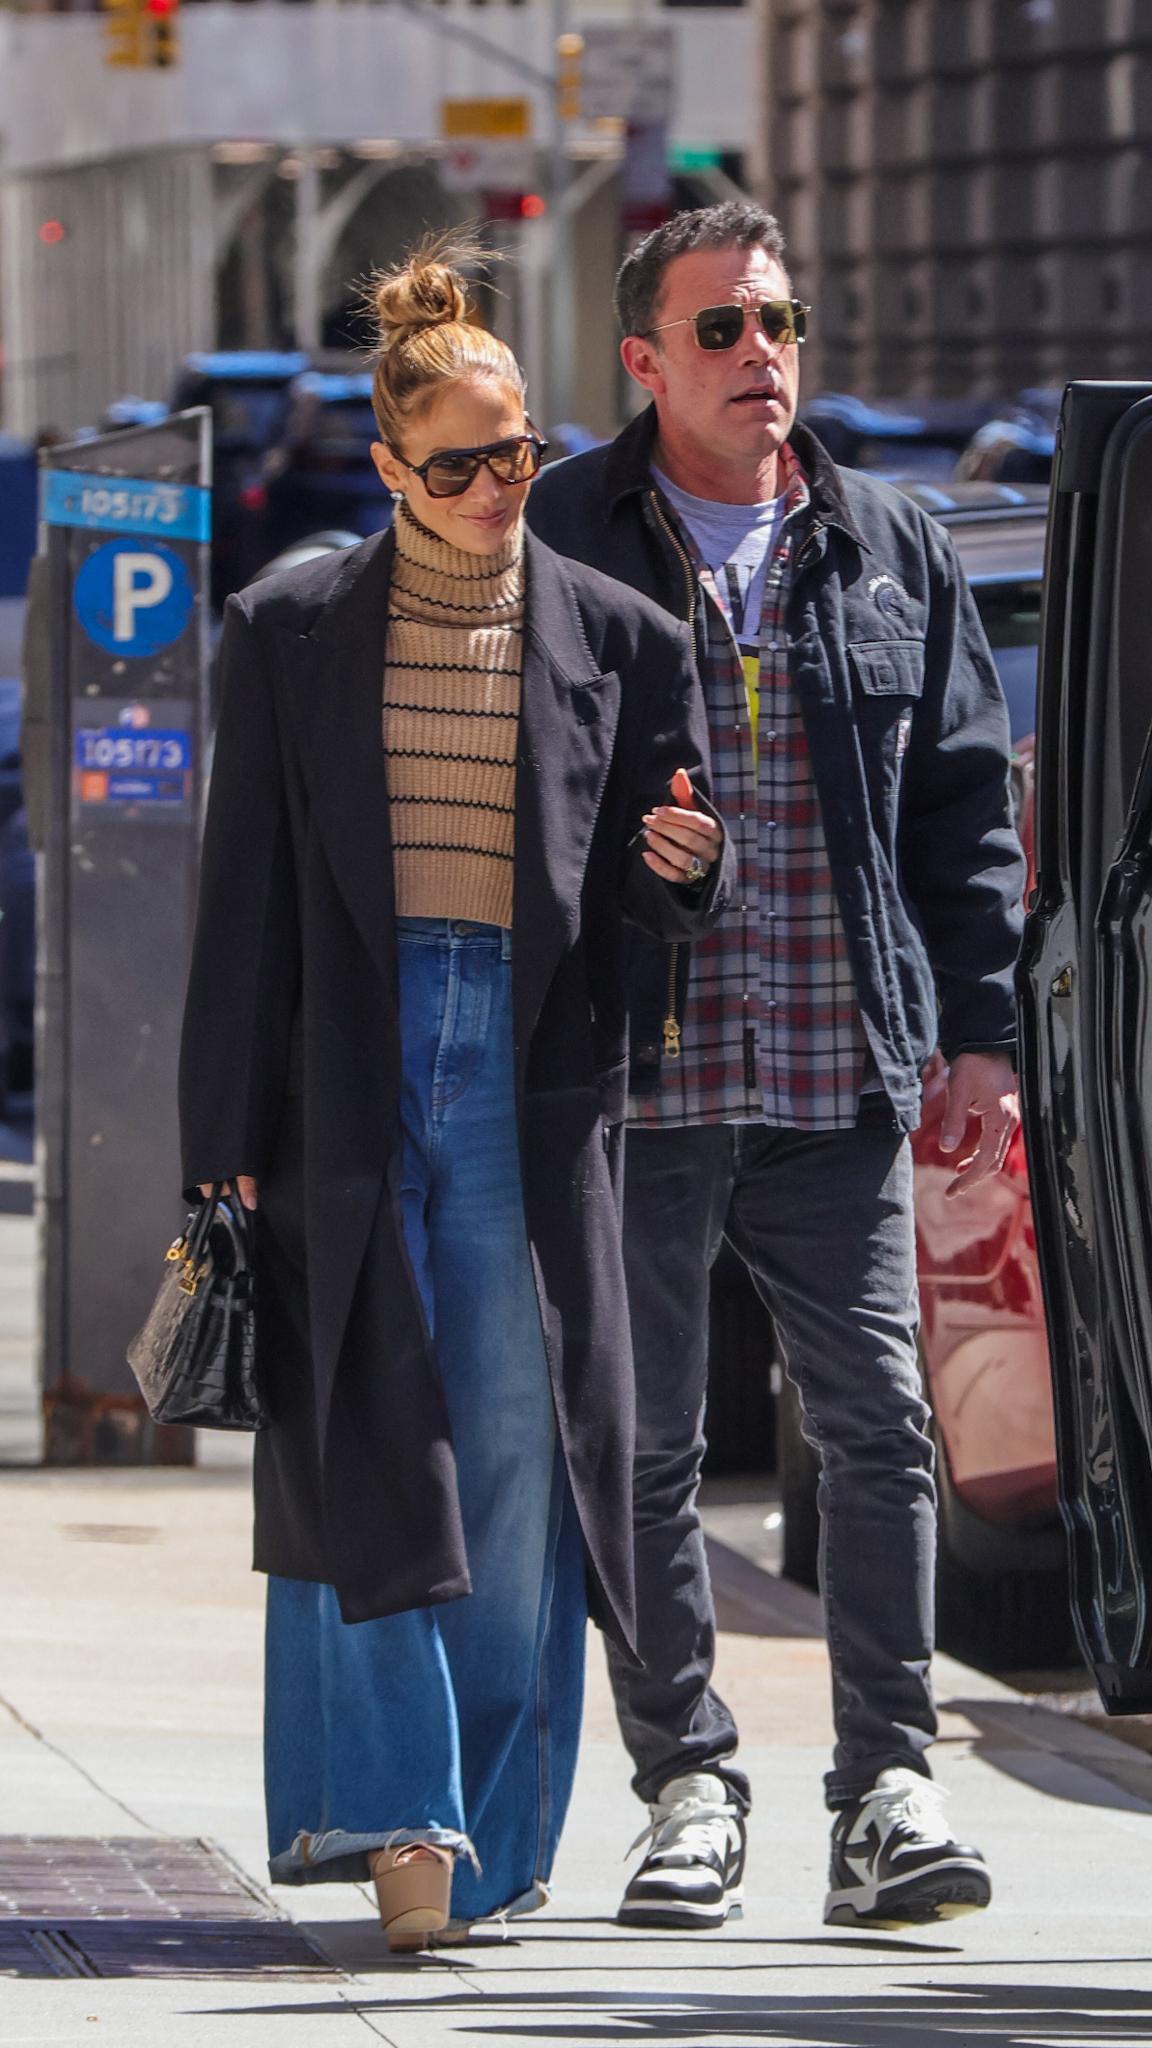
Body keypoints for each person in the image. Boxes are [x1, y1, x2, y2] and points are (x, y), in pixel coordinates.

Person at [177, 236, 725, 1952]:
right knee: (359, 1437)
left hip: (532, 1075)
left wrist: (683, 877)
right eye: (467, 462)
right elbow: (242, 908)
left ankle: (486, 1839)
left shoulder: (629, 640)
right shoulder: (287, 633)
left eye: (524, 455)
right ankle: (395, 1814)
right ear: (392, 466)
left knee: (506, 1453)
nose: (504, 486)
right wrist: (221, 1154)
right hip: (345, 1059)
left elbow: (657, 902)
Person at [528, 202, 1025, 1931]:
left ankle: (888, 1783)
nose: (763, 356)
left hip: (841, 1062)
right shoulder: (560, 533)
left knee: (883, 1429)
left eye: (781, 321)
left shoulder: (886, 540)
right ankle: (686, 1784)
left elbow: (967, 814)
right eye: (723, 330)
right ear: (645, 360)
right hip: (635, 1075)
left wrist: (983, 1038)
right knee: (645, 1444)